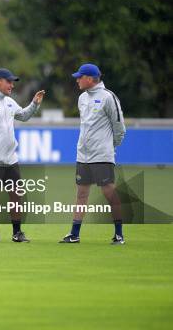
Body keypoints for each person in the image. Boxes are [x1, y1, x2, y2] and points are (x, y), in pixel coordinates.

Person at [0, 68, 45, 243]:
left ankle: (17, 233)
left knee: (16, 195)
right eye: (9, 81)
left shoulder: (9, 102)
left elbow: (24, 116)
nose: (12, 85)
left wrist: (34, 104)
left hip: (11, 160)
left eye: (12, 82)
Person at [60, 63, 126, 245]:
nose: (77, 80)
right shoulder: (82, 98)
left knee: (109, 192)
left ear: (90, 78)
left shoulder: (108, 97)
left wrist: (109, 147)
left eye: (80, 77)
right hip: (83, 156)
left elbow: (119, 127)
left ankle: (119, 234)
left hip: (102, 156)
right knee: (81, 194)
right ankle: (74, 234)